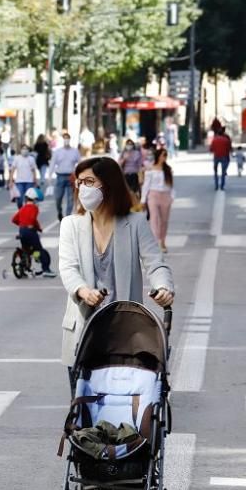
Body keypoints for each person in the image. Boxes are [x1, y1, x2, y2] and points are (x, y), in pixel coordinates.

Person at [58, 156, 175, 401]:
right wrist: (83, 291)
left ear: (108, 185)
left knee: (121, 408)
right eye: (79, 182)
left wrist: (163, 287)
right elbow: (68, 268)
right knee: (83, 409)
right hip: (84, 332)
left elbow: (155, 263)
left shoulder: (134, 223)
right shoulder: (71, 225)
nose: (82, 188)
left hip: (124, 330)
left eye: (89, 181)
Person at [11, 188, 56, 278]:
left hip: (22, 231)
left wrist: (22, 224)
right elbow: (33, 220)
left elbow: (14, 219)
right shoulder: (34, 208)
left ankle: (23, 268)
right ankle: (46, 270)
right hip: (30, 232)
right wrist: (38, 228)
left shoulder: (22, 208)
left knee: (26, 250)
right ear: (34, 199)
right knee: (39, 250)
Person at [142, 148, 174, 253]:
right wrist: (143, 200)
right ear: (158, 156)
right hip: (153, 195)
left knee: (164, 221)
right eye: (163, 155)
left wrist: (172, 197)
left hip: (165, 196)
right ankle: (155, 243)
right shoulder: (150, 169)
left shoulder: (168, 169)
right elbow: (146, 185)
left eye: (166, 155)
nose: (164, 157)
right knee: (154, 219)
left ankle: (162, 241)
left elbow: (171, 185)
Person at [50, 133, 81, 222]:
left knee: (70, 198)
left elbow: (80, 163)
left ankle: (67, 217)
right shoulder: (58, 152)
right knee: (58, 198)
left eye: (67, 138)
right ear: (62, 140)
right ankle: (59, 211)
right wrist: (49, 175)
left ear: (70, 140)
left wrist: (80, 174)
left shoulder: (75, 151)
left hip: (71, 177)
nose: (66, 140)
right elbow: (52, 163)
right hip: (60, 176)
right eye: (65, 138)